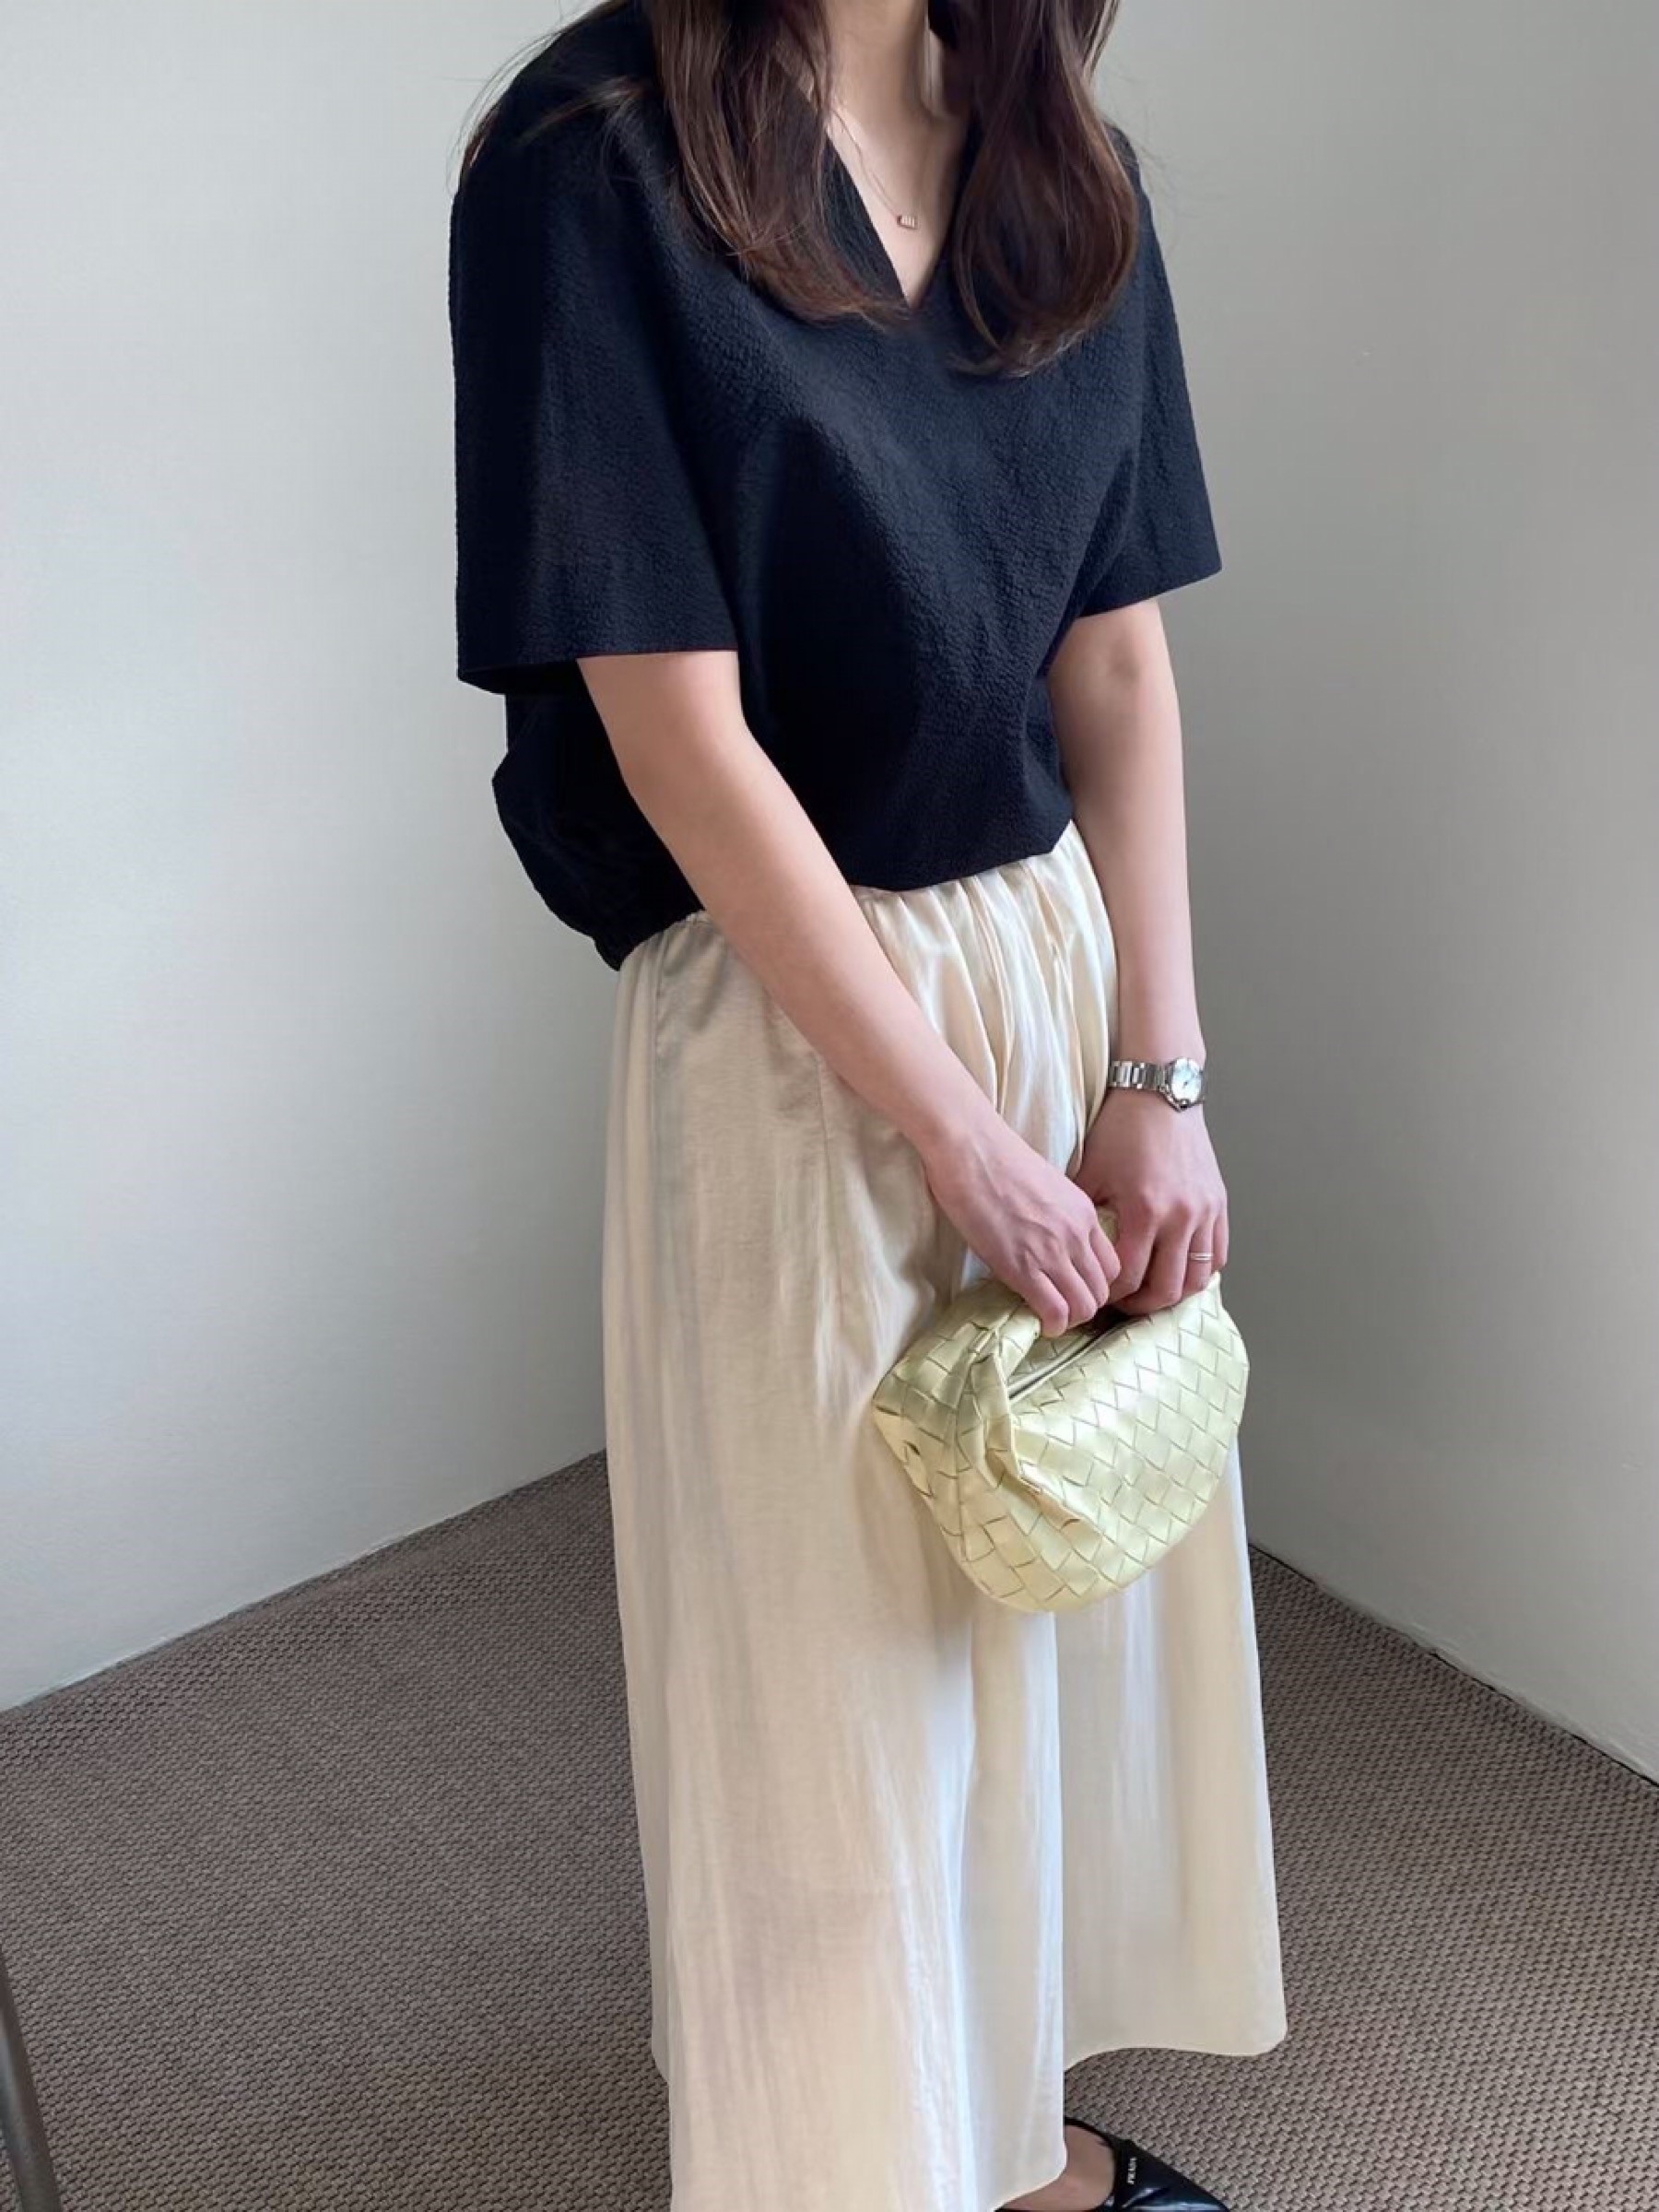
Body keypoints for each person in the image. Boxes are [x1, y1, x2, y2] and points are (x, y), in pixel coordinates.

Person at [447, 0, 1287, 2203]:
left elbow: (1116, 655)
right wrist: (956, 1135)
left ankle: (1011, 2143)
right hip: (785, 1011)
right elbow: (676, 732)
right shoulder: (592, 152)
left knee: (1036, 1611)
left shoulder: (1058, 155)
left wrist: (1158, 1074)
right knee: (828, 1673)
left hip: (1049, 964)